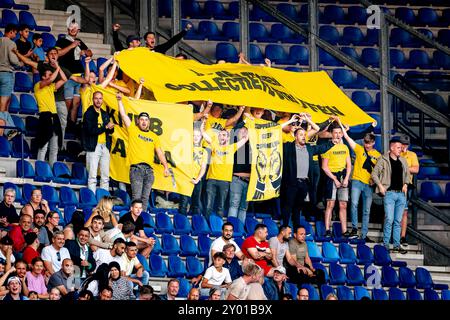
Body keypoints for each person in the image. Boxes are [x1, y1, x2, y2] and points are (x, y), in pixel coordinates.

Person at [13, 46, 89, 141]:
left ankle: (59, 147)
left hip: (60, 101)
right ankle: (48, 147)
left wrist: (87, 73)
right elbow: (28, 62)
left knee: (62, 126)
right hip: (48, 103)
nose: (53, 55)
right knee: (47, 130)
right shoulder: (43, 66)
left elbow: (78, 79)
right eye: (51, 53)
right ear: (47, 56)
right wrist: (17, 53)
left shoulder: (62, 69)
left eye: (55, 53)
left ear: (58, 56)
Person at [117, 92, 170, 211]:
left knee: (145, 198)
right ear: (138, 121)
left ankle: (142, 222)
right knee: (136, 198)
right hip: (136, 169)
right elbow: (124, 115)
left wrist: (166, 166)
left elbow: (160, 152)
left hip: (149, 171)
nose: (144, 122)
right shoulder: (133, 130)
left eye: (146, 120)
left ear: (149, 122)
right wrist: (120, 101)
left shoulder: (154, 136)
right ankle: (134, 223)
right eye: (141, 119)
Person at [281, 124, 335, 228]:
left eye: (305, 135)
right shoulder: (288, 147)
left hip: (304, 183)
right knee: (288, 206)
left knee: (298, 207)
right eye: (301, 134)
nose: (303, 136)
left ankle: (296, 228)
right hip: (291, 183)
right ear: (295, 136)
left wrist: (332, 143)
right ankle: (285, 228)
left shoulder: (309, 148)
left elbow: (321, 148)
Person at [341, 121, 381, 241]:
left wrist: (374, 182)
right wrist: (343, 127)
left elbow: (380, 172)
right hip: (357, 181)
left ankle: (363, 234)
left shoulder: (378, 156)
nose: (367, 145)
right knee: (353, 204)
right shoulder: (359, 149)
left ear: (373, 143)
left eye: (369, 143)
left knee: (366, 210)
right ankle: (354, 228)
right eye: (365, 142)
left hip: (368, 184)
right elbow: (347, 138)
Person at [201, 120, 249, 219]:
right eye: (221, 135)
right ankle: (206, 226)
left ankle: (218, 227)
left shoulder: (232, 147)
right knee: (208, 205)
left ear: (228, 138)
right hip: (212, 179)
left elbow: (244, 139)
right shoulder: (214, 144)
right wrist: (203, 123)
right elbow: (203, 133)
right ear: (218, 137)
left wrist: (248, 123)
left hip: (225, 181)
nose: (222, 137)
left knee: (221, 207)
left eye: (224, 135)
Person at [372, 137, 410, 254]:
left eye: (401, 147)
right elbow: (374, 174)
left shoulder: (403, 160)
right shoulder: (383, 159)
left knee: (398, 221)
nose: (401, 149)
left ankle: (397, 245)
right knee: (389, 219)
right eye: (398, 147)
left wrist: (405, 184)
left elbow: (407, 174)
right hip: (389, 193)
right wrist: (381, 186)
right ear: (392, 147)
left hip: (401, 195)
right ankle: (386, 245)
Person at [55, 22, 91, 126]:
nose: (74, 29)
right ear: (68, 29)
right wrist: (72, 45)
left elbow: (90, 52)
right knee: (68, 102)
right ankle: (63, 124)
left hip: (79, 75)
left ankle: (71, 124)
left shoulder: (79, 41)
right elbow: (58, 53)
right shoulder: (61, 40)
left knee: (76, 103)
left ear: (78, 30)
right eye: (72, 28)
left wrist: (85, 52)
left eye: (76, 28)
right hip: (68, 75)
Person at [321, 123, 352, 236]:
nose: (338, 135)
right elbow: (324, 167)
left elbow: (349, 165)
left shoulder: (345, 147)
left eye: (340, 132)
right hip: (331, 176)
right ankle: (327, 230)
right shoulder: (327, 147)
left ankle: (344, 231)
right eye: (336, 133)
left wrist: (346, 178)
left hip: (343, 175)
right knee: (330, 204)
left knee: (343, 205)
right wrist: (335, 179)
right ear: (332, 134)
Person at [35, 62, 68, 166]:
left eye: (51, 74)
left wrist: (58, 66)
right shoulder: (38, 85)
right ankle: (40, 168)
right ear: (43, 76)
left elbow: (64, 79)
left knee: (54, 147)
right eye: (48, 74)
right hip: (45, 116)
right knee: (43, 145)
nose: (50, 77)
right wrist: (56, 70)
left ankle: (52, 169)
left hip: (54, 116)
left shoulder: (51, 86)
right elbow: (50, 80)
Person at [82, 91, 114, 192]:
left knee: (105, 177)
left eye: (100, 98)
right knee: (92, 176)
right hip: (93, 146)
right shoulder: (88, 113)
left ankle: (104, 201)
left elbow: (109, 131)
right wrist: (105, 127)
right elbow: (90, 131)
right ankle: (92, 199)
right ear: (93, 99)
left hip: (105, 146)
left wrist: (110, 127)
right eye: (96, 98)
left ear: (102, 100)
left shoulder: (104, 113)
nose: (98, 100)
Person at [178, 127, 208, 216]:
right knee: (183, 204)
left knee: (196, 204)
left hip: (197, 179)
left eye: (198, 136)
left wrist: (197, 179)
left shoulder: (204, 151)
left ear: (201, 138)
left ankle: (197, 227)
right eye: (194, 135)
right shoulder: (185, 149)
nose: (196, 137)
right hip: (186, 179)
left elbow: (203, 167)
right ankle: (182, 224)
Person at [399, 134, 419, 250]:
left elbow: (416, 169)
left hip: (407, 185)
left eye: (406, 144)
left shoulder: (412, 155)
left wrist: (403, 167)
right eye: (402, 144)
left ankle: (402, 236)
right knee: (389, 211)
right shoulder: (395, 153)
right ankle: (390, 235)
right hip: (394, 184)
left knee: (404, 212)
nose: (404, 146)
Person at [228, 126, 251, 225]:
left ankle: (240, 228)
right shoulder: (234, 146)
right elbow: (235, 128)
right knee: (234, 204)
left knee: (243, 207)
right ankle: (231, 228)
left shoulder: (252, 147)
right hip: (237, 180)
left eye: (246, 131)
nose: (244, 133)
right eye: (242, 131)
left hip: (249, 181)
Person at [0, 24, 21, 113]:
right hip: (6, 74)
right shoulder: (11, 43)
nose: (15, 36)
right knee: (3, 103)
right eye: (15, 33)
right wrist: (20, 63)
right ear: (11, 31)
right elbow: (13, 60)